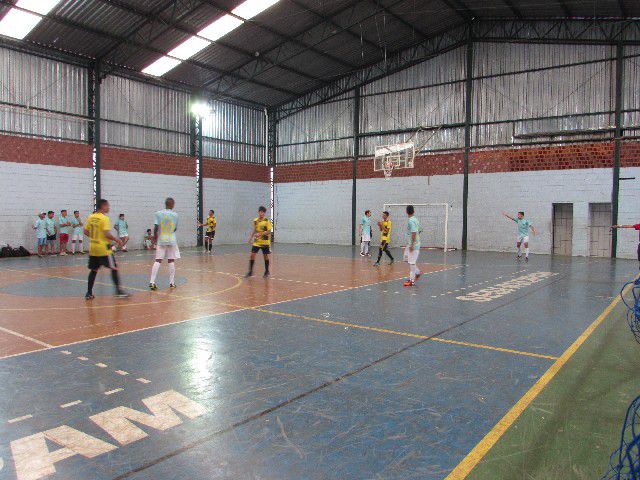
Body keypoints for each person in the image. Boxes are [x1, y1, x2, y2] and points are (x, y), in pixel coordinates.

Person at [84, 199, 128, 300]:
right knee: (114, 268)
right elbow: (106, 233)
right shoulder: (104, 218)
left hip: (93, 248)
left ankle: (89, 293)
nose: (109, 208)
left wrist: (95, 237)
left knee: (94, 270)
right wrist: (116, 239)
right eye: (107, 206)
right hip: (103, 249)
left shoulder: (91, 217)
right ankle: (118, 291)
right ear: (103, 206)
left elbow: (86, 231)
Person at [150, 198, 179, 290]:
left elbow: (156, 228)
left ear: (165, 204)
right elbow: (174, 229)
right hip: (171, 240)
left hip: (161, 240)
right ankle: (172, 283)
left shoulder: (158, 213)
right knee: (171, 260)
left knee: (158, 260)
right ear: (172, 204)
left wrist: (155, 237)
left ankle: (152, 282)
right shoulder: (175, 215)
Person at [246, 206, 272, 278]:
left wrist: (260, 234)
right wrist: (250, 238)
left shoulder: (267, 221)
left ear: (264, 213)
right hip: (257, 242)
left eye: (263, 212)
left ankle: (267, 271)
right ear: (258, 212)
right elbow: (255, 229)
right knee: (252, 255)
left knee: (265, 256)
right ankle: (250, 271)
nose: (261, 213)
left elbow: (269, 231)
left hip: (265, 242)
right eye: (260, 212)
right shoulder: (255, 220)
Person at [404, 205, 422, 287]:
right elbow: (420, 230)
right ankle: (417, 272)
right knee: (407, 259)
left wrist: (412, 244)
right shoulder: (415, 220)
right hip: (411, 244)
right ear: (413, 211)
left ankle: (412, 280)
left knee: (411, 262)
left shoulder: (411, 221)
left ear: (406, 211)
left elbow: (414, 232)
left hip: (413, 245)